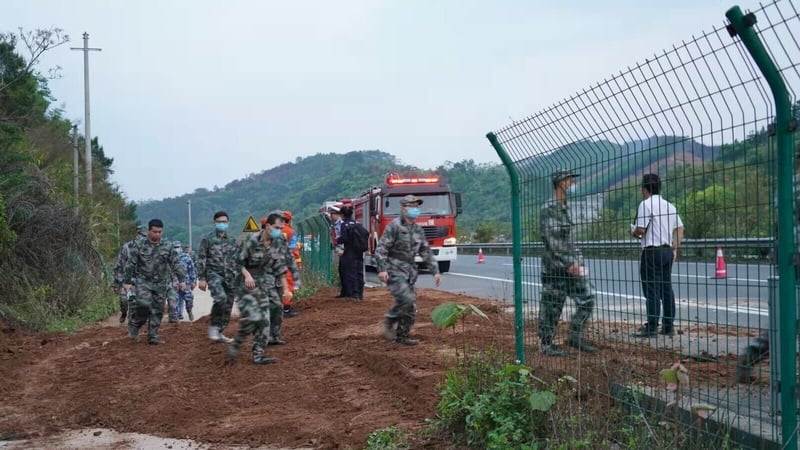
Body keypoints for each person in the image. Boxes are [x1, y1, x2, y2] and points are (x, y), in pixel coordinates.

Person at [736, 148, 800, 382]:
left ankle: (753, 353)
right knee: (789, 316)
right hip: (793, 255)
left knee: (786, 314)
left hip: (787, 255)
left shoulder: (787, 185)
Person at [538, 169, 596, 356]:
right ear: (561, 182)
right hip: (555, 268)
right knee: (552, 306)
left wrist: (578, 260)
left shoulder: (565, 207)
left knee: (588, 297)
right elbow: (553, 241)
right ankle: (546, 344)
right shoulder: (550, 208)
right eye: (569, 179)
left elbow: (570, 240)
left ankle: (575, 335)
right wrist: (569, 263)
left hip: (570, 266)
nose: (572, 183)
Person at [228, 212, 293, 365]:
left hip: (268, 281)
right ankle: (256, 353)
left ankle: (273, 337)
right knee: (261, 318)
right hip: (249, 283)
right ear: (268, 226)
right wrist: (247, 275)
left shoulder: (280, 241)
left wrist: (285, 289)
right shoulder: (251, 240)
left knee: (277, 307)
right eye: (277, 228)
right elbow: (237, 262)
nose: (280, 231)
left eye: (282, 228)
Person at [375, 194, 441, 345]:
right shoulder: (394, 226)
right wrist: (382, 268)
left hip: (410, 271)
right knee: (407, 298)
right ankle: (390, 320)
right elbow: (381, 249)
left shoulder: (418, 229)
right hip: (394, 269)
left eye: (417, 206)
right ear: (403, 208)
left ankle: (402, 336)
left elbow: (425, 251)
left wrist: (435, 271)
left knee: (410, 307)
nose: (415, 209)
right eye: (411, 206)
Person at [630, 173, 684, 337]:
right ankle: (668, 325)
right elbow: (680, 228)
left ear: (644, 189)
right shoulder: (670, 206)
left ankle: (652, 326)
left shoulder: (645, 204)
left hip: (652, 250)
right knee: (666, 288)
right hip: (667, 251)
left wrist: (632, 231)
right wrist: (675, 247)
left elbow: (641, 230)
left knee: (651, 289)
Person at [122, 219, 186, 345]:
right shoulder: (139, 245)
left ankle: (153, 336)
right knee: (144, 305)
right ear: (149, 231)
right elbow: (131, 264)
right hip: (143, 281)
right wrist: (127, 281)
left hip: (160, 282)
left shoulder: (167, 246)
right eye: (154, 232)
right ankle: (136, 323)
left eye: (160, 232)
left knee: (158, 309)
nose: (157, 234)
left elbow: (176, 264)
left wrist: (181, 280)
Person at [197, 211, 238, 344]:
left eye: (225, 222)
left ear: (228, 223)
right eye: (220, 222)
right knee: (220, 298)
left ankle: (219, 332)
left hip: (230, 276)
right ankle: (214, 327)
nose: (222, 224)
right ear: (214, 222)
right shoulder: (207, 239)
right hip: (214, 274)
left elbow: (237, 259)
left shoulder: (232, 240)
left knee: (228, 305)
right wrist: (202, 278)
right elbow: (202, 259)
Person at [111, 225, 147, 323]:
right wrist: (115, 284)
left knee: (134, 302)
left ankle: (132, 321)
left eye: (144, 235)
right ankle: (123, 313)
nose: (142, 237)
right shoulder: (127, 247)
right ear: (136, 235)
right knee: (124, 300)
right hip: (125, 279)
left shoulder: (147, 249)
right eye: (141, 235)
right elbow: (118, 265)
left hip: (139, 280)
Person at [338, 205, 365, 299]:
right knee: (359, 272)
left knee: (349, 272)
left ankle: (351, 294)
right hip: (359, 251)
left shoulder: (344, 224)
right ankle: (360, 293)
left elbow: (345, 238)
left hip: (349, 251)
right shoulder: (357, 224)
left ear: (342, 215)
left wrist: (338, 240)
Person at [280, 210, 301, 318]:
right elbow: (294, 250)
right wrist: (298, 264)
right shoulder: (290, 232)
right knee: (288, 286)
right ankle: (286, 310)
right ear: (290, 219)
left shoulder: (275, 230)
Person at [175, 244, 198, 321]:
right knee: (176, 299)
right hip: (174, 283)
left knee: (188, 298)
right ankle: (178, 314)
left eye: (178, 247)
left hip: (186, 282)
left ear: (181, 248)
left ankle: (189, 311)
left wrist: (193, 281)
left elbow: (191, 270)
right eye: (175, 247)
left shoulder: (186, 257)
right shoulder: (170, 257)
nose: (176, 249)